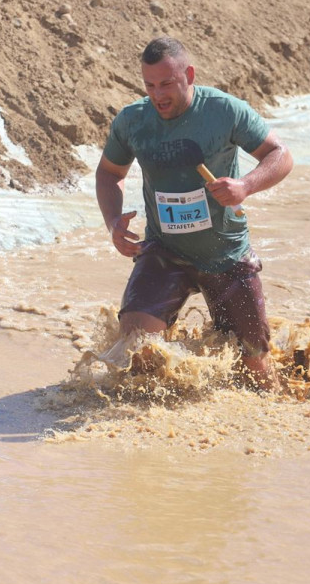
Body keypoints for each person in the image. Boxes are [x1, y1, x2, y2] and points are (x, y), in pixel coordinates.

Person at [95, 36, 294, 390]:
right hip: (165, 250)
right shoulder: (133, 121)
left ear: (188, 75)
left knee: (255, 373)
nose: (158, 95)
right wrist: (113, 222)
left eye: (167, 84)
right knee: (136, 350)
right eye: (150, 85)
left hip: (226, 254)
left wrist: (245, 186)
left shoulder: (224, 110)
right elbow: (110, 172)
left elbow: (280, 155)